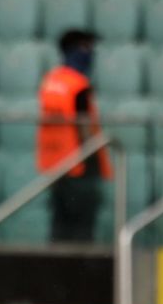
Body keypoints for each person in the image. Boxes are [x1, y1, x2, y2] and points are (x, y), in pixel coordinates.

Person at [36, 29, 112, 242]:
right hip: (80, 167)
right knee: (80, 234)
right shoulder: (78, 85)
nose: (91, 54)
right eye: (87, 48)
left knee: (60, 229)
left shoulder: (50, 82)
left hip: (55, 165)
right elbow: (84, 127)